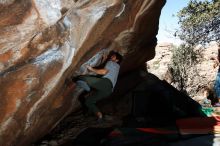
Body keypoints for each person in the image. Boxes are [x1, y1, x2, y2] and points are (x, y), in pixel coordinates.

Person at [76, 51, 123, 122]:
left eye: (113, 56)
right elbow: (105, 69)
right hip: (109, 91)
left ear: (117, 60)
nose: (111, 56)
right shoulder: (117, 67)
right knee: (88, 101)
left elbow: (103, 71)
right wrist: (104, 59)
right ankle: (100, 115)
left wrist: (90, 68)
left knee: (81, 78)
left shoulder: (111, 62)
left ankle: (89, 89)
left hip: (105, 83)